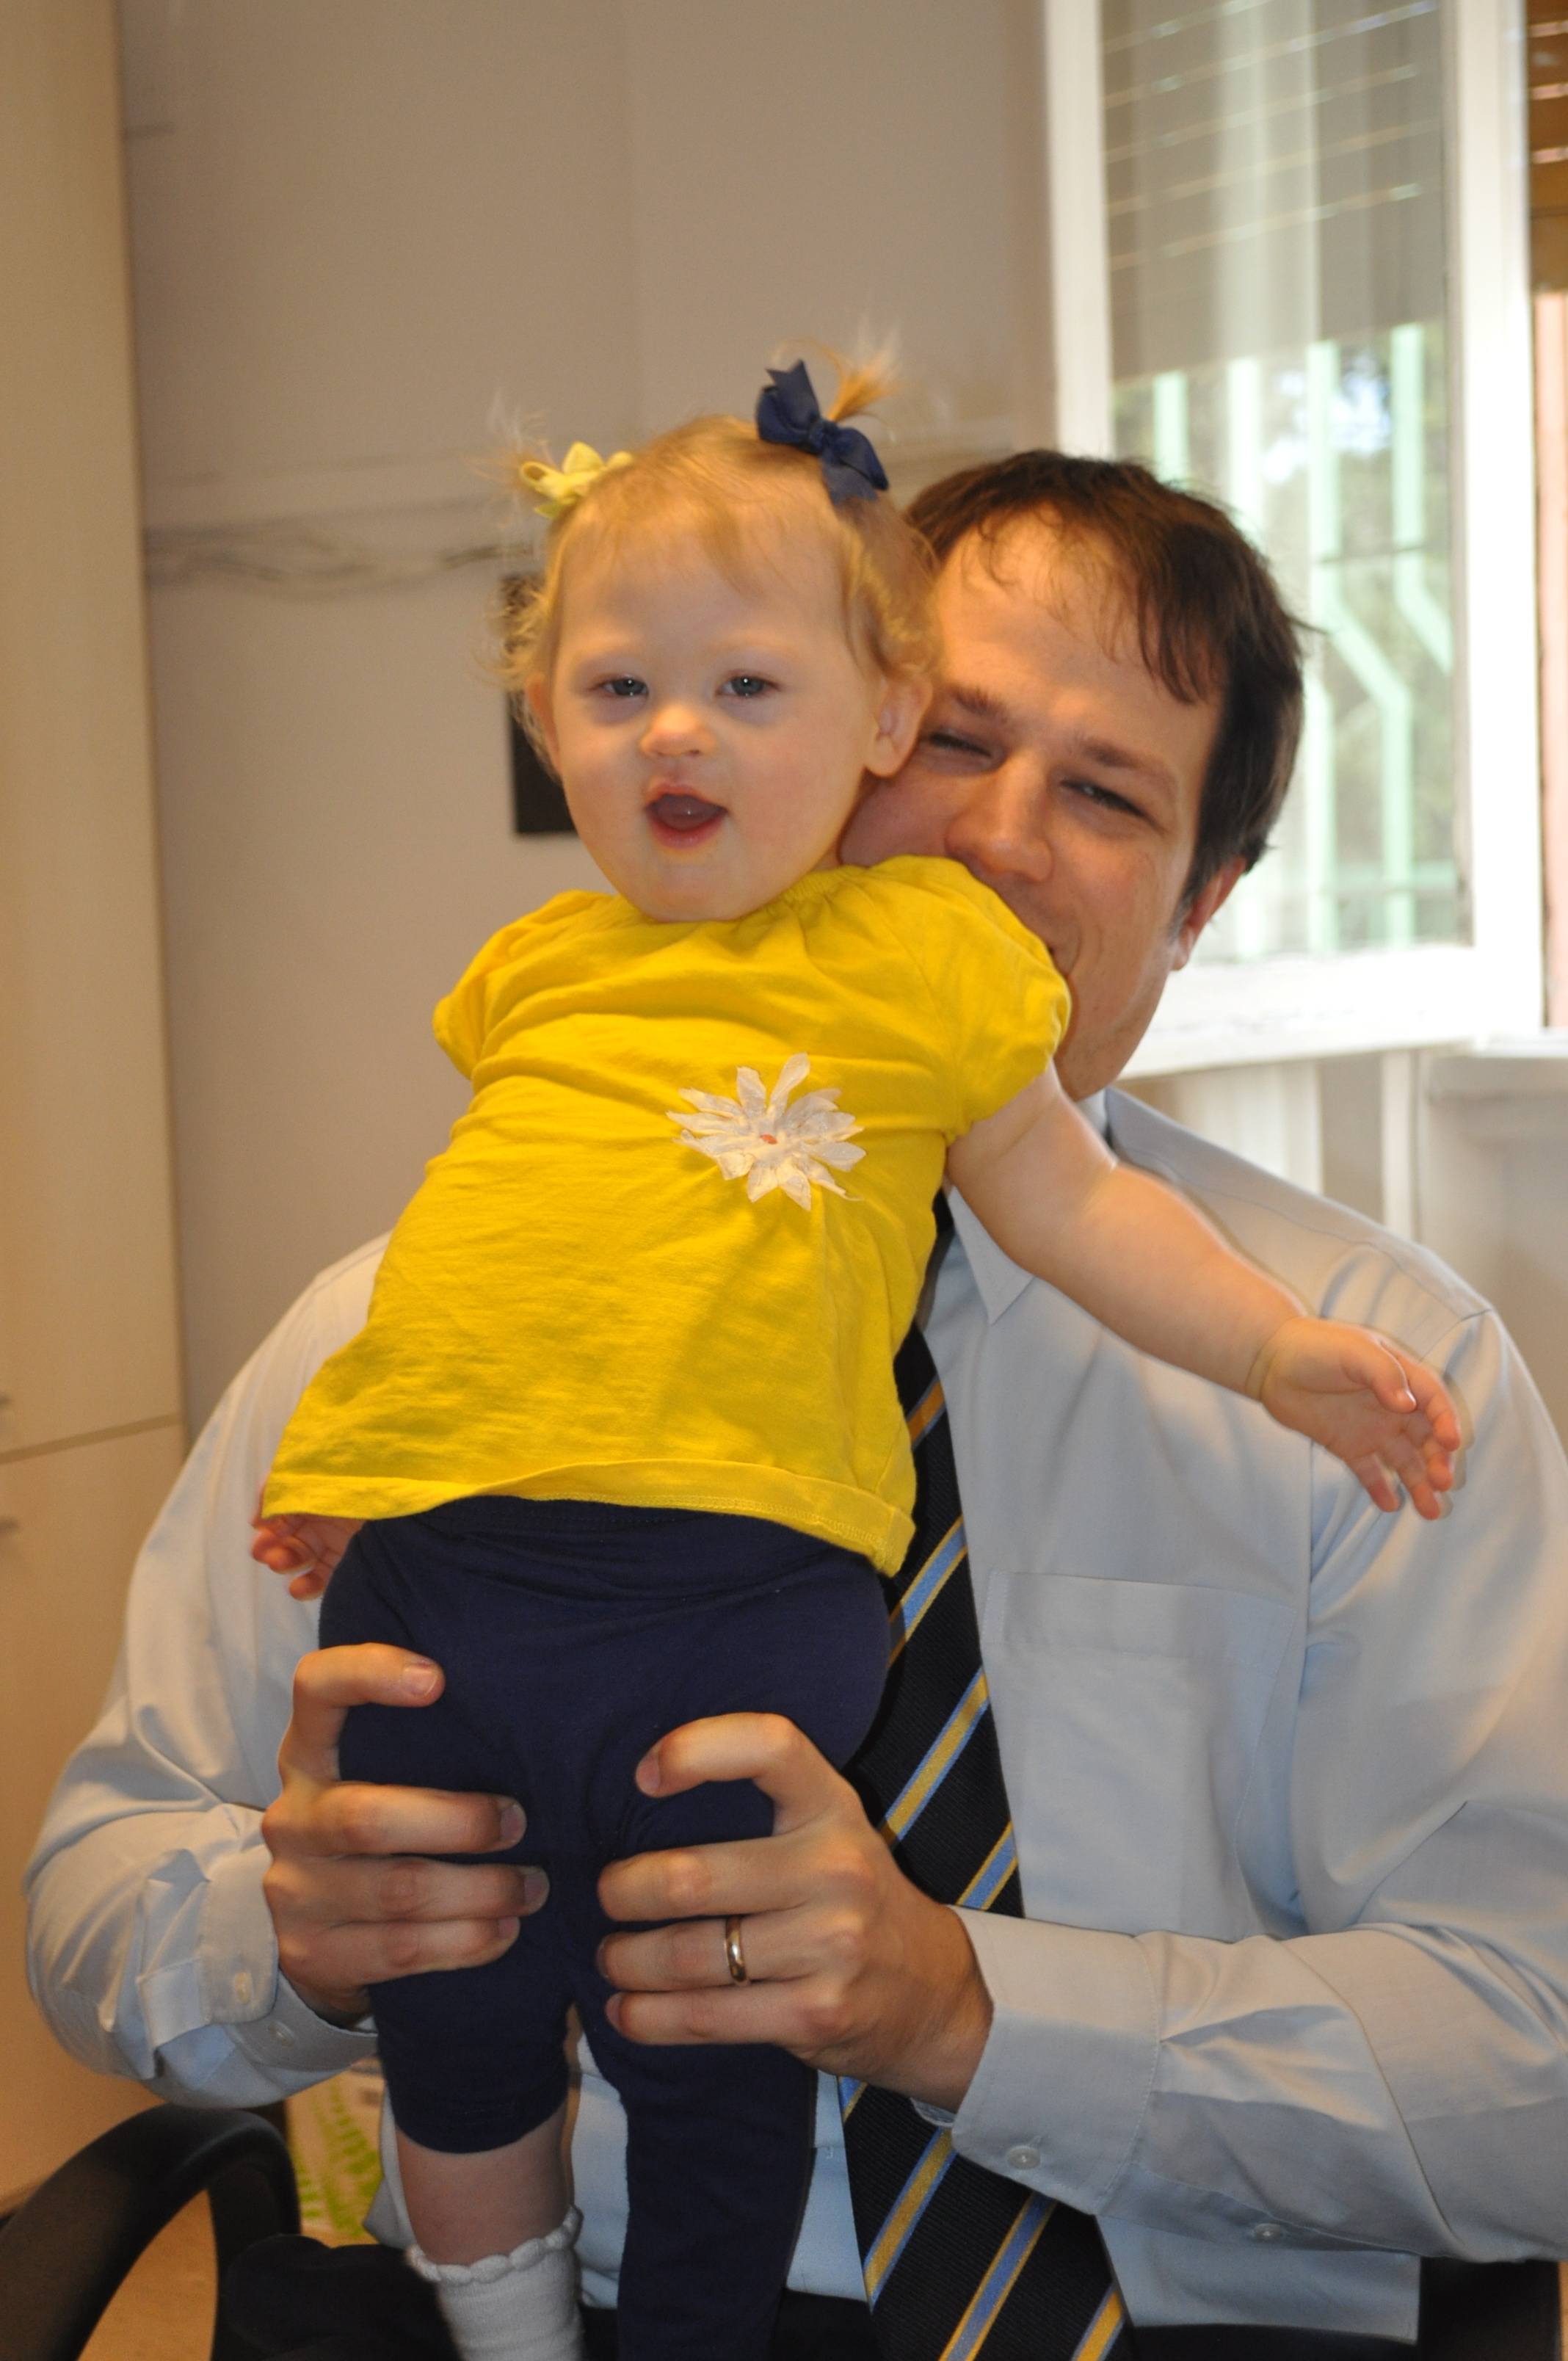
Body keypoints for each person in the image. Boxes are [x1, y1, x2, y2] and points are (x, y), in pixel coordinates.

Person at [25, 451, 1568, 2359]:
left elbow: (1534, 2061)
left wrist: (973, 2013)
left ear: (1201, 903)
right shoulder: (413, 1335)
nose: (993, 838)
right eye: (953, 740)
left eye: (1106, 794)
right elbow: (92, 1902)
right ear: (846, 731)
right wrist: (290, 1936)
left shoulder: (1377, 1372)